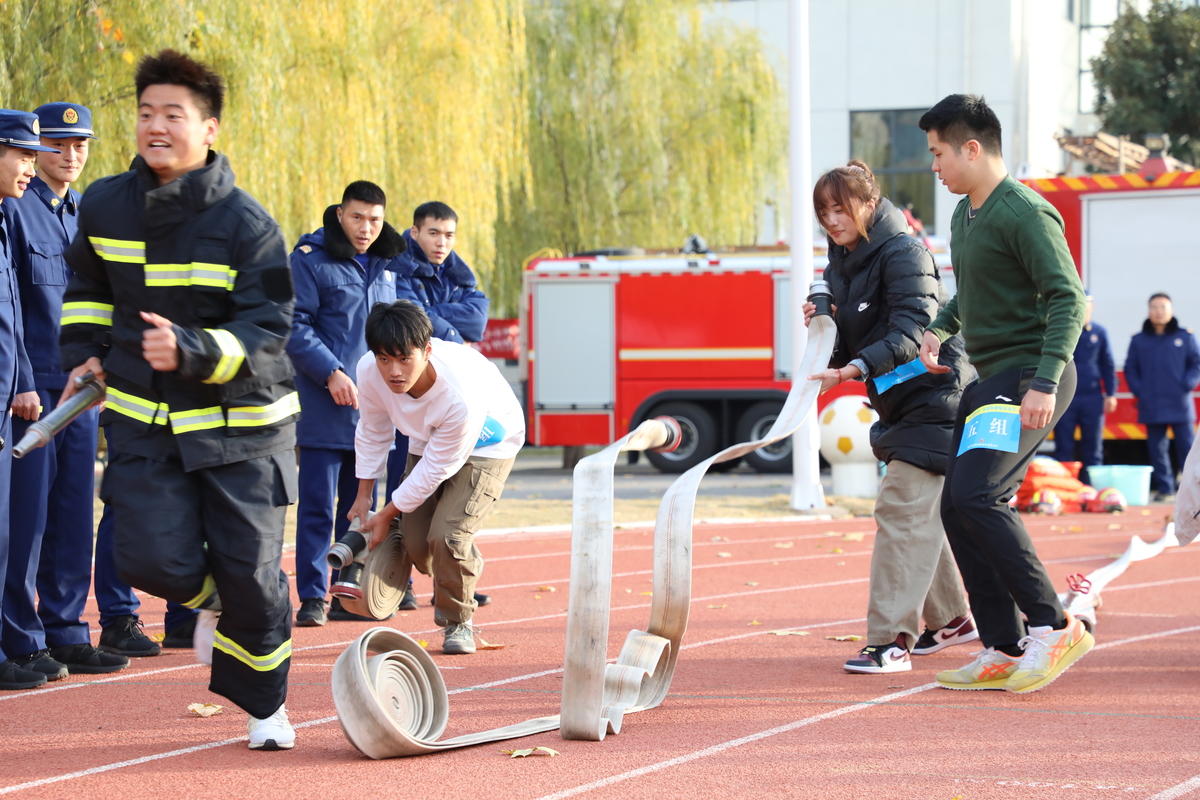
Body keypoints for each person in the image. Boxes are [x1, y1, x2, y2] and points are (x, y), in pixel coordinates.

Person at [59, 50, 299, 749]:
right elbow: (87, 291)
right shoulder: (103, 204)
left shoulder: (248, 224)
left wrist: (194, 350)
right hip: (146, 417)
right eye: (145, 114)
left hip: (243, 428)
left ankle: (265, 710)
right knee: (142, 559)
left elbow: (270, 327)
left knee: (254, 581)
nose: (155, 126)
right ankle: (223, 599)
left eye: (173, 115)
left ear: (210, 129)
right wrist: (86, 354)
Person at [917, 94, 1093, 694]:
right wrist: (940, 330)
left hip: (1030, 375)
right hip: (989, 380)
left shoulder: (1026, 212)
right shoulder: (966, 215)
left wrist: (1045, 380)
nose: (933, 166)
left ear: (972, 147)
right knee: (958, 505)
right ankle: (1003, 644)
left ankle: (1054, 624)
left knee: (981, 494)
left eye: (939, 153)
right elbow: (976, 294)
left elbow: (1068, 298)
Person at [803, 161, 976, 675]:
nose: (832, 220)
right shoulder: (844, 261)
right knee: (919, 514)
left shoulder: (904, 252)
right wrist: (824, 324)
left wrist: (854, 367)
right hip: (901, 406)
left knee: (901, 510)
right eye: (823, 212)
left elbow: (913, 329)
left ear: (870, 204)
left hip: (938, 398)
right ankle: (952, 621)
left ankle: (889, 642)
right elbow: (858, 335)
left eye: (841, 208)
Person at [3, 103, 136, 683]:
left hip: (79, 389)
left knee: (73, 513)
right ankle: (23, 636)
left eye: (80, 144)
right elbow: (13, 310)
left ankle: (64, 630)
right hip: (33, 389)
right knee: (26, 520)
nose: (70, 155)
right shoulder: (15, 209)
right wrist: (25, 381)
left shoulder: (81, 213)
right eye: (57, 145)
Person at [349, 300, 523, 655]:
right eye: (384, 359)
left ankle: (458, 621)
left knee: (447, 534)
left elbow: (435, 470)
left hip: (488, 441)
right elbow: (373, 431)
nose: (393, 371)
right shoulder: (368, 370)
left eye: (403, 359)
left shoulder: (460, 395)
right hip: (429, 435)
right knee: (416, 543)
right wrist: (364, 496)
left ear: (426, 351)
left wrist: (386, 514)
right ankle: (458, 557)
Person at [287, 180, 404, 626]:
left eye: (375, 219)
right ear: (340, 213)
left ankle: (348, 590)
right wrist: (331, 372)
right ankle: (313, 595)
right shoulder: (310, 261)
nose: (366, 228)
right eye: (357, 217)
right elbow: (294, 326)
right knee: (317, 505)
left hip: (377, 409)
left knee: (360, 506)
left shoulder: (390, 263)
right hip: (325, 404)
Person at [389, 201, 491, 611]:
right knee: (404, 489)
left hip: (451, 393)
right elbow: (407, 321)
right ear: (414, 232)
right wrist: (449, 329)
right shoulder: (396, 268)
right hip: (412, 394)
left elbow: (478, 319)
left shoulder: (458, 272)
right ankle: (402, 583)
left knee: (455, 492)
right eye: (434, 233)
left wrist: (432, 320)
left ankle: (455, 580)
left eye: (449, 235)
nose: (442, 242)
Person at [0, 110, 62, 690]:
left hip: (21, 391)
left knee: (21, 527)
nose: (30, 164)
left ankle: (22, 640)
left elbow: (10, 317)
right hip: (13, 394)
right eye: (21, 154)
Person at [1124, 293, 1200, 502]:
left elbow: (1196, 364)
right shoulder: (1139, 340)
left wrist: (1187, 384)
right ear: (1149, 311)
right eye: (1154, 307)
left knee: (1188, 449)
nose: (1159, 311)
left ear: (1171, 310)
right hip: (1151, 402)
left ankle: (1193, 491)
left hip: (1180, 402)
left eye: (1163, 307)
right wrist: (1140, 390)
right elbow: (1130, 368)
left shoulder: (1185, 337)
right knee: (1157, 448)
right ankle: (1166, 489)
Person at [1052, 293, 1117, 485]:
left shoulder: (1099, 332)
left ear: (1091, 308)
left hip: (1092, 398)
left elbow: (1108, 365)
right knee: (1063, 445)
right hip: (1065, 398)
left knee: (1093, 446)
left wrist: (1111, 394)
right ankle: (1066, 488)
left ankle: (1092, 490)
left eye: (1086, 306)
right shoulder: (1062, 331)